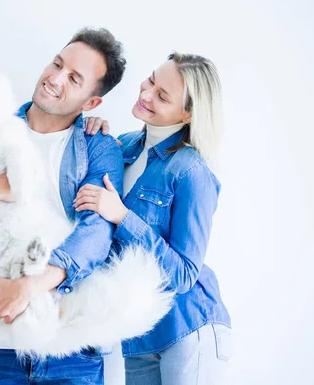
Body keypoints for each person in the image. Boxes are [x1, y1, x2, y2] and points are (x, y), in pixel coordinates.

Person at [0, 27, 126, 384]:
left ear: (91, 103)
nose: (55, 78)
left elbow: (97, 234)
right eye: (57, 63)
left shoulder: (99, 146)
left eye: (74, 78)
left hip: (70, 350)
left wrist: (30, 287)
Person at [74, 52, 233, 384]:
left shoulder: (190, 171)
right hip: (139, 335)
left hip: (188, 328)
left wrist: (122, 217)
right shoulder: (126, 146)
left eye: (162, 96)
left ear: (188, 113)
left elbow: (185, 275)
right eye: (150, 81)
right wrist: (94, 133)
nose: (145, 94)